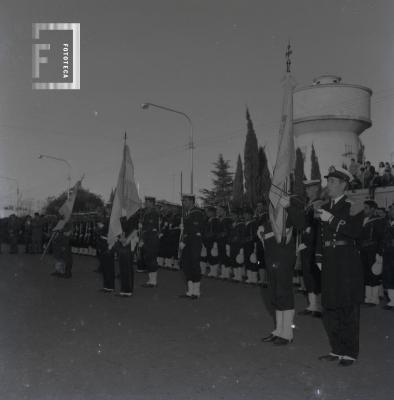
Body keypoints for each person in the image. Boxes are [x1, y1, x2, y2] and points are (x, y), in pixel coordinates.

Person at [315, 166, 364, 366]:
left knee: (347, 307)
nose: (329, 185)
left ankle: (349, 352)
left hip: (346, 262)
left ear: (344, 185)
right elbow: (320, 236)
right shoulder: (324, 207)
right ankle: (336, 350)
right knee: (330, 307)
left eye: (334, 182)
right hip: (328, 260)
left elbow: (354, 231)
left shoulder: (354, 205)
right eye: (329, 181)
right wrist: (318, 256)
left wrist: (333, 219)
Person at [258, 193, 304, 346]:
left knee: (283, 292)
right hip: (271, 256)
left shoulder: (289, 206)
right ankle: (278, 330)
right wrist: (262, 227)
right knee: (274, 293)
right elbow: (270, 224)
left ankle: (287, 333)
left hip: (283, 256)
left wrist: (289, 206)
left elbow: (301, 222)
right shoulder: (273, 211)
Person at [297, 179, 323, 318]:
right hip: (306, 244)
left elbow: (318, 226)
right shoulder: (308, 205)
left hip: (313, 245)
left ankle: (318, 306)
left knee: (314, 274)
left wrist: (310, 241)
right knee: (307, 274)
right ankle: (312, 305)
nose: (306, 190)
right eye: (306, 188)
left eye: (309, 188)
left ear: (315, 189)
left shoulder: (318, 204)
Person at [179, 194, 205, 299]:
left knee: (194, 265)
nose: (183, 203)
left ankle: (196, 291)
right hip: (188, 243)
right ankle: (190, 291)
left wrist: (184, 241)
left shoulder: (197, 213)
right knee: (186, 266)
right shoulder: (187, 213)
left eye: (185, 200)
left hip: (193, 243)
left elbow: (194, 230)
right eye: (183, 201)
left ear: (191, 201)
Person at [358, 200, 385, 306]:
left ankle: (375, 298)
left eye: (366, 208)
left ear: (372, 209)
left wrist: (379, 253)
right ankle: (368, 298)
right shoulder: (363, 220)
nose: (364, 210)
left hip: (373, 251)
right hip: (364, 251)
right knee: (366, 274)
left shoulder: (378, 221)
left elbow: (381, 238)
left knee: (374, 274)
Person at [140, 197, 160, 288]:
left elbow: (151, 227)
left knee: (151, 259)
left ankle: (153, 281)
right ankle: (150, 280)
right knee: (148, 258)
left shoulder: (153, 213)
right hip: (147, 238)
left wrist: (143, 231)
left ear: (152, 203)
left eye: (147, 202)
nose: (145, 203)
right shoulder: (146, 213)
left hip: (151, 238)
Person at [382, 204, 394, 310]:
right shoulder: (387, 223)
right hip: (388, 254)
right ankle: (392, 301)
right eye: (390, 210)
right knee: (389, 276)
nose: (389, 212)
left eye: (391, 210)